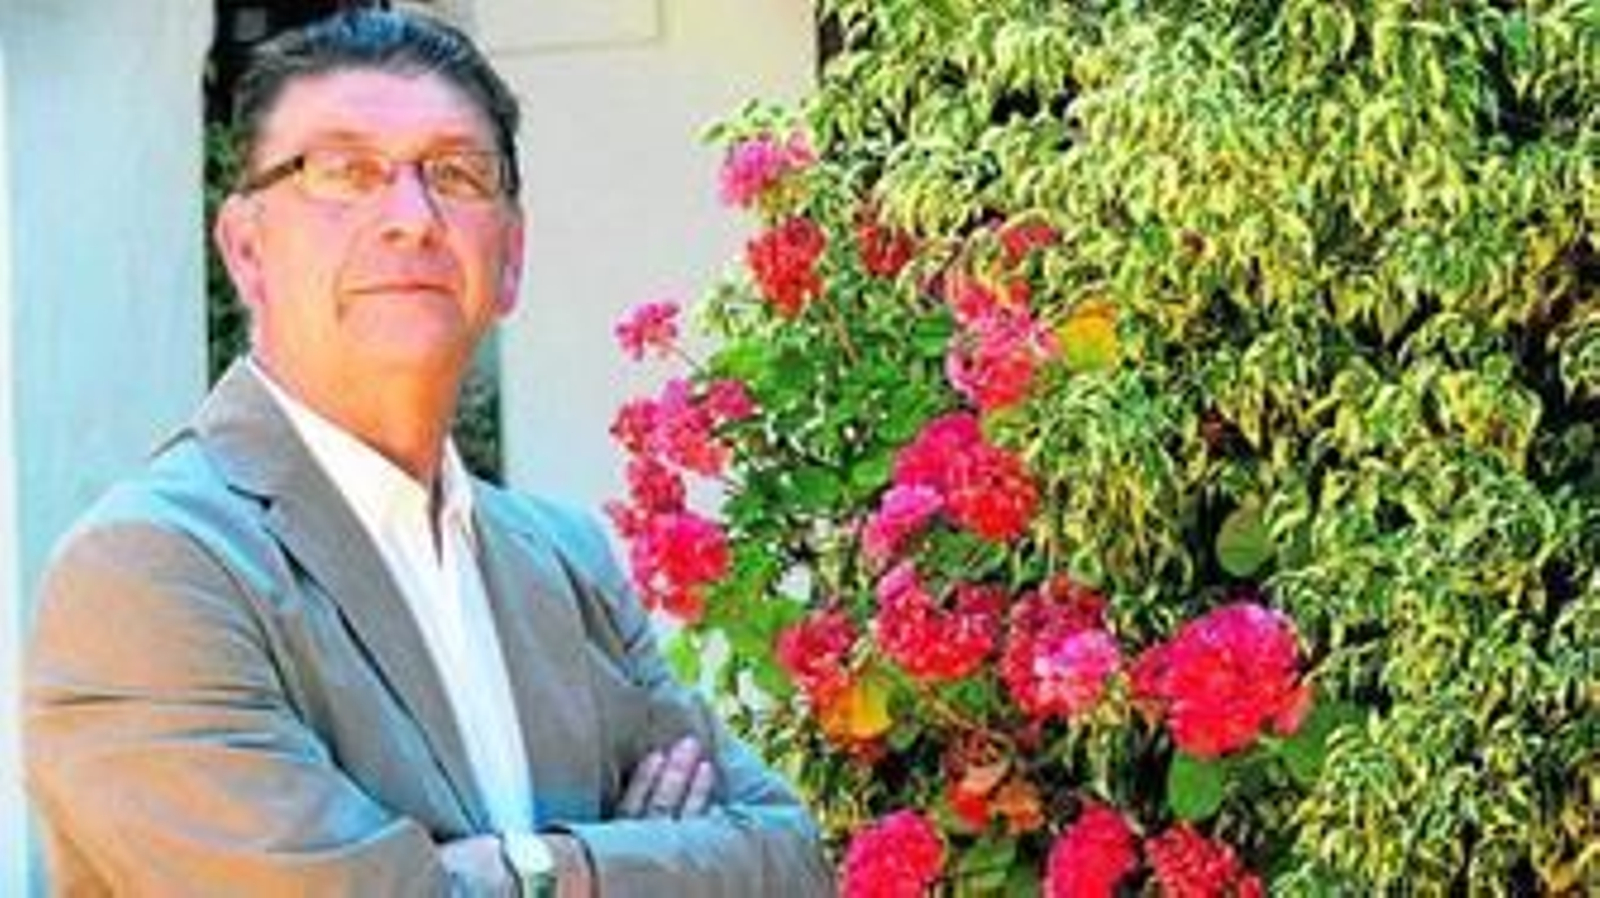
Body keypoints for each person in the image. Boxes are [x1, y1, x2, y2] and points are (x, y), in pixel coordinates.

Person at [23, 8, 832, 897]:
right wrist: (651, 861)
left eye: (456, 173)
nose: (411, 218)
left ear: (510, 257)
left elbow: (790, 860)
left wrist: (540, 867)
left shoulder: (565, 564)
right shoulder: (154, 571)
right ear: (246, 250)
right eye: (344, 171)